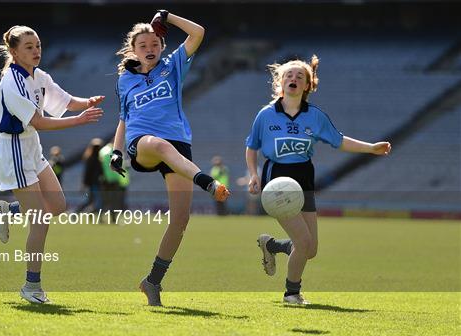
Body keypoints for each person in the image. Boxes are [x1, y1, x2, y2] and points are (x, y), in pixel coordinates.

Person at [246, 55, 391, 305]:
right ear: (280, 82)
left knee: (310, 250)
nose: (293, 78)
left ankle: (272, 245)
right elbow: (252, 147)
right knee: (303, 242)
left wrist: (371, 148)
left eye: (299, 76)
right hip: (277, 181)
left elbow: (340, 140)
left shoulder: (315, 116)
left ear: (307, 85)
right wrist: (253, 174)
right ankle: (292, 293)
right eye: (288, 75)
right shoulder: (265, 115)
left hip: (304, 180)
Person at [110, 10, 230, 306]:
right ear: (133, 50)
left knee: (180, 219)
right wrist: (116, 150)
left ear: (162, 47)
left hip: (179, 146)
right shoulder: (125, 81)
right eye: (143, 46)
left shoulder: (172, 65)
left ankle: (152, 281)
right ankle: (207, 182)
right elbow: (124, 120)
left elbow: (199, 31)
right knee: (160, 145)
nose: (149, 49)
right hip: (145, 145)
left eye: (154, 44)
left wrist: (168, 16)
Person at [0, 25, 104, 304]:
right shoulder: (11, 82)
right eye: (28, 47)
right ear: (14, 52)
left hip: (32, 147)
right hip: (14, 148)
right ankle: (31, 286)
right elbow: (38, 121)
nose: (36, 50)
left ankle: (8, 210)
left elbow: (63, 101)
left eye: (38, 45)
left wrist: (86, 102)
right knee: (40, 221)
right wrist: (79, 120)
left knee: (57, 206)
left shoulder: (39, 76)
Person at [75, 138, 104, 214]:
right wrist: (84, 184)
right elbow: (87, 173)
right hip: (93, 183)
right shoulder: (91, 159)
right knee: (96, 201)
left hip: (95, 183)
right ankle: (79, 212)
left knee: (91, 201)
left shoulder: (96, 159)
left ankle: (78, 212)